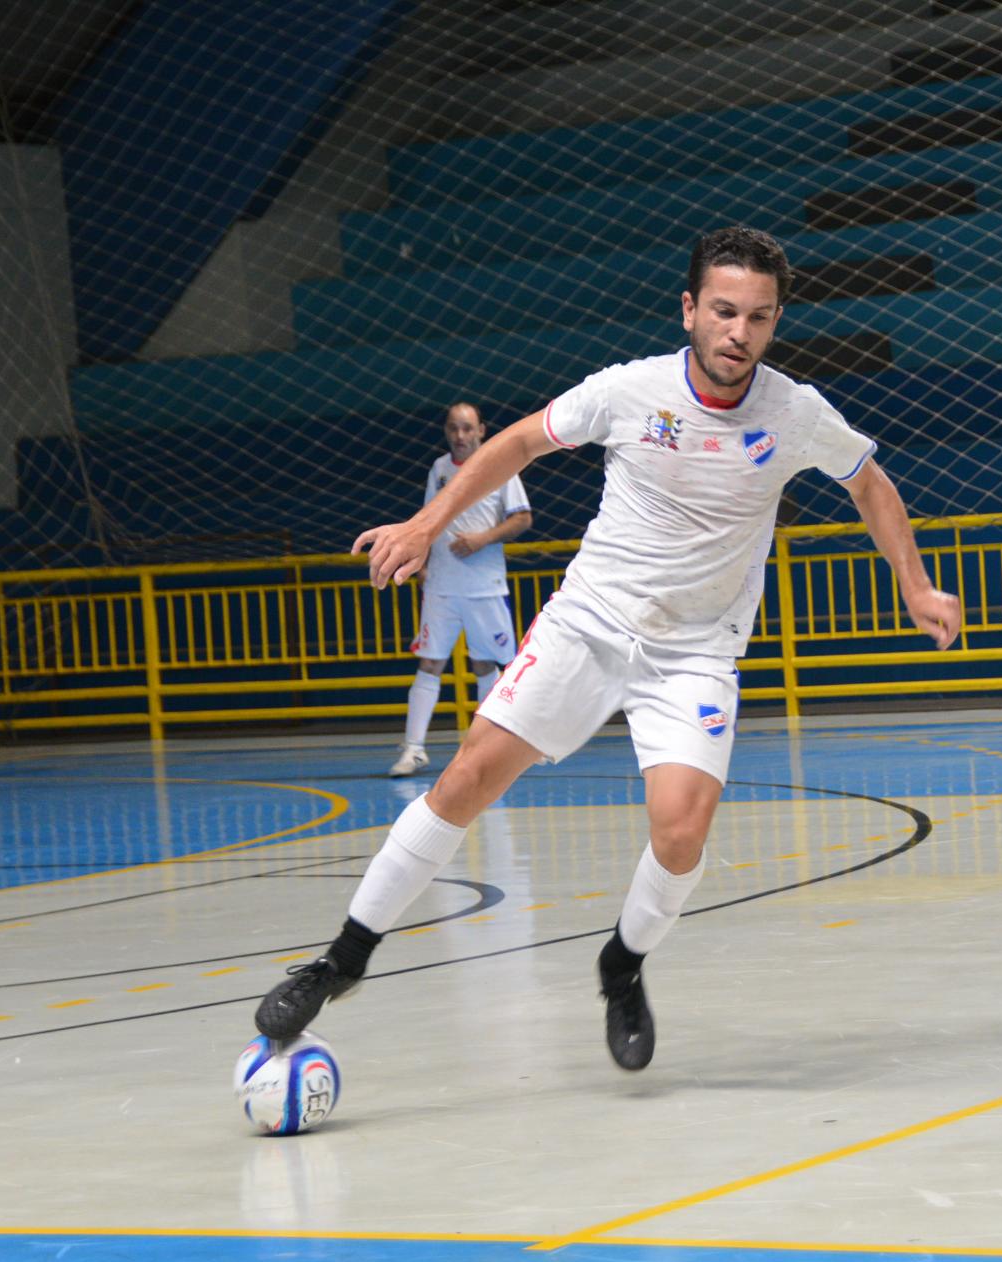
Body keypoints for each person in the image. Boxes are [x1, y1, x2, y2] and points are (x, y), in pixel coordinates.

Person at [257, 226, 962, 1068]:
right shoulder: (630, 392)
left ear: (776, 322)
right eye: (725, 311)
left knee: (680, 836)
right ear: (691, 309)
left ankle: (621, 964)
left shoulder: (795, 411)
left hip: (696, 651)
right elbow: (517, 443)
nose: (740, 332)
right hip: (590, 622)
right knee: (465, 779)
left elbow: (869, 482)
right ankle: (341, 960)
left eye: (760, 318)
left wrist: (914, 585)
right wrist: (426, 522)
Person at [389, 401, 532, 777]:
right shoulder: (438, 469)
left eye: (467, 428)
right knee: (430, 662)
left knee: (488, 663)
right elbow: (427, 521)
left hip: (484, 587)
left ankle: (490, 749)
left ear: (481, 430)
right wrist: (420, 562)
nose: (460, 436)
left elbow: (523, 518)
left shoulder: (500, 465)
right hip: (442, 588)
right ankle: (414, 749)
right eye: (453, 428)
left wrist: (483, 538)